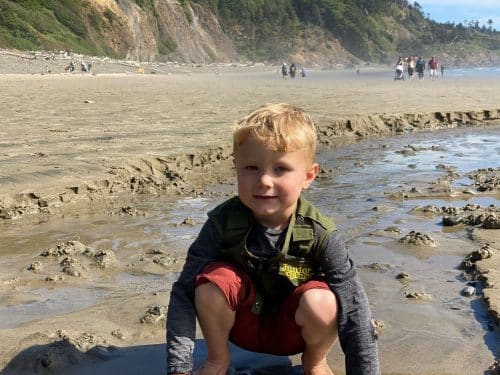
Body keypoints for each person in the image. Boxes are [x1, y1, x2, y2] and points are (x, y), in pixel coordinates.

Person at [166, 103, 380, 375]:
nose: (264, 180)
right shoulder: (221, 224)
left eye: (280, 169)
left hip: (295, 333)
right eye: (251, 167)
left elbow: (355, 308)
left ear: (308, 176)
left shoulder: (320, 233)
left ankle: (315, 362)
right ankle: (217, 360)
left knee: (323, 301)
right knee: (211, 282)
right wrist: (179, 369)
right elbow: (183, 292)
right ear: (236, 168)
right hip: (240, 329)